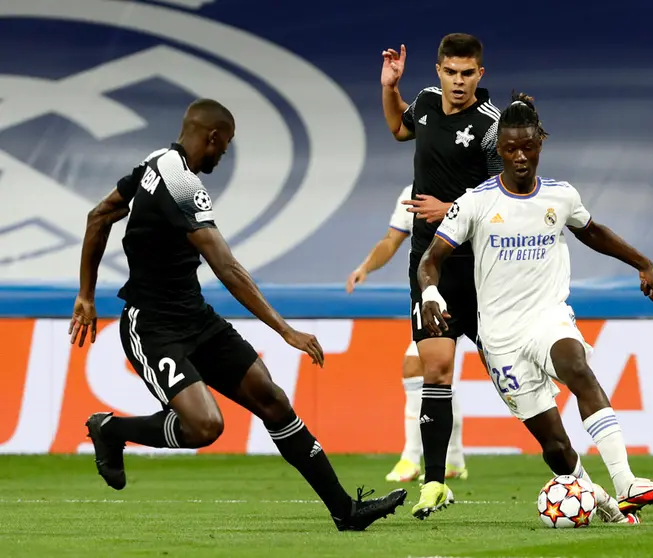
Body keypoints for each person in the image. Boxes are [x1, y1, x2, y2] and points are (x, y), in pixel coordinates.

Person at [68, 98, 406, 531]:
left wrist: (85, 295)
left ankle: (346, 512)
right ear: (211, 137)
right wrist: (285, 331)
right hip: (153, 327)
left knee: (273, 400)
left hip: (195, 317)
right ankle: (112, 430)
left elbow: (100, 215)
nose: (222, 155)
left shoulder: (155, 162)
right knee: (205, 426)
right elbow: (226, 268)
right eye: (223, 147)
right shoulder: (183, 185)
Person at [417, 93, 653, 521]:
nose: (520, 157)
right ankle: (607, 506)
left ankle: (626, 481)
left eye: (529, 147)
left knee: (577, 367)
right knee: (555, 447)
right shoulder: (476, 202)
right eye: (511, 148)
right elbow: (431, 260)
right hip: (500, 337)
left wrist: (642, 263)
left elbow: (592, 232)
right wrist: (429, 293)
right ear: (498, 149)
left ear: (541, 144)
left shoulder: (561, 196)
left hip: (547, 317)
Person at [381, 33, 501, 518]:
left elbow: (506, 195)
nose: (457, 81)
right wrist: (390, 88)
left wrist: (450, 208)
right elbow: (398, 130)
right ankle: (434, 483)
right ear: (438, 71)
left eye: (466, 73)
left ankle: (574, 470)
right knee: (436, 369)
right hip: (428, 262)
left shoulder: (492, 126)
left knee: (513, 377)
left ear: (480, 74)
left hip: (482, 266)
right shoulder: (427, 104)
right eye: (450, 72)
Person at [346, 184, 467, 483]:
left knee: (438, 370)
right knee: (427, 367)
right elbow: (391, 240)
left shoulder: (472, 186)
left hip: (475, 289)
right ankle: (432, 458)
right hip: (433, 293)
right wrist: (365, 267)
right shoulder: (413, 192)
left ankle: (435, 458)